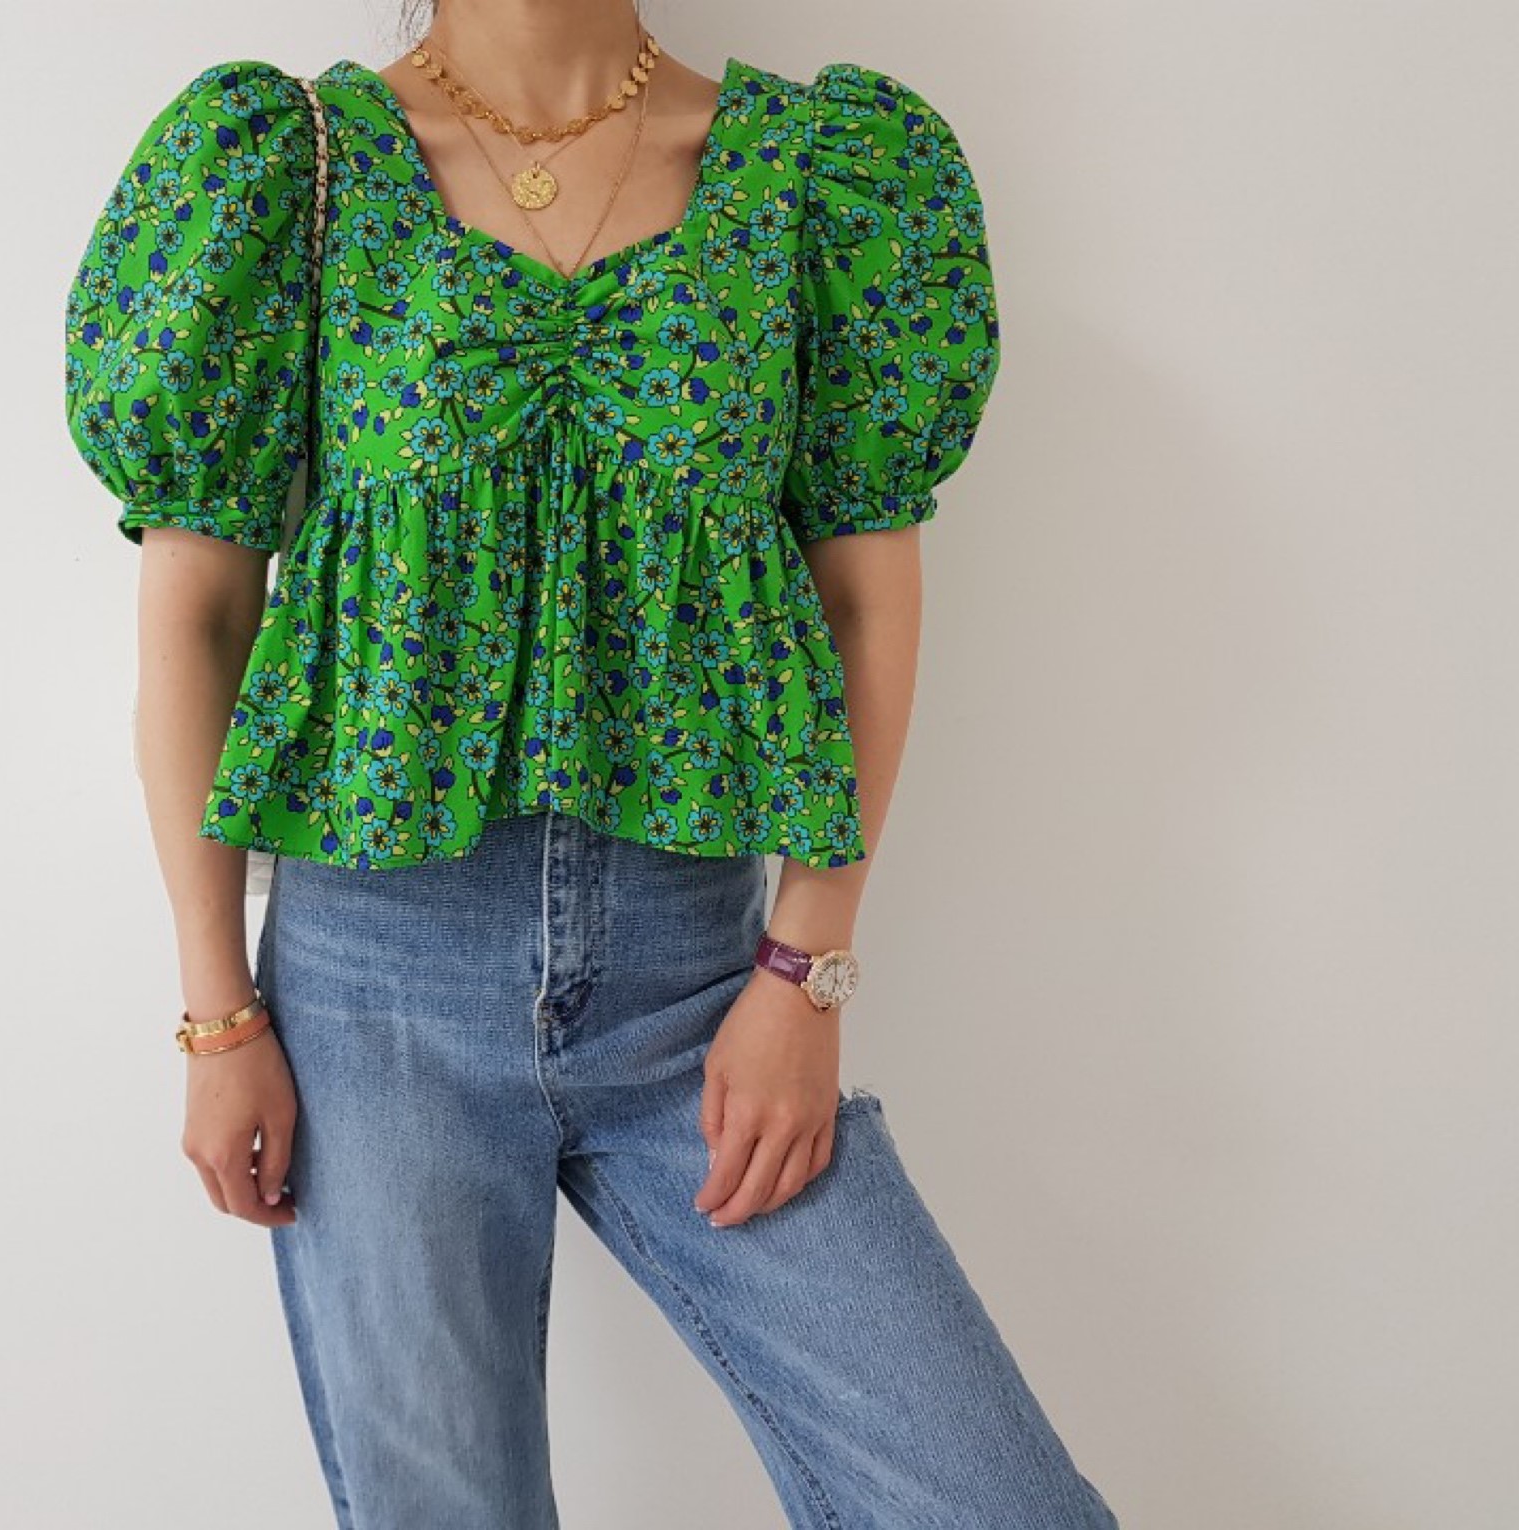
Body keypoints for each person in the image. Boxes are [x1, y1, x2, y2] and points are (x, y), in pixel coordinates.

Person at [63, 2, 1119, 1524]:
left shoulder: (817, 172)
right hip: (379, 985)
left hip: (702, 981)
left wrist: (807, 964)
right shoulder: (287, 167)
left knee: (991, 1498)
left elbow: (863, 598)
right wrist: (217, 1010)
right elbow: (199, 613)